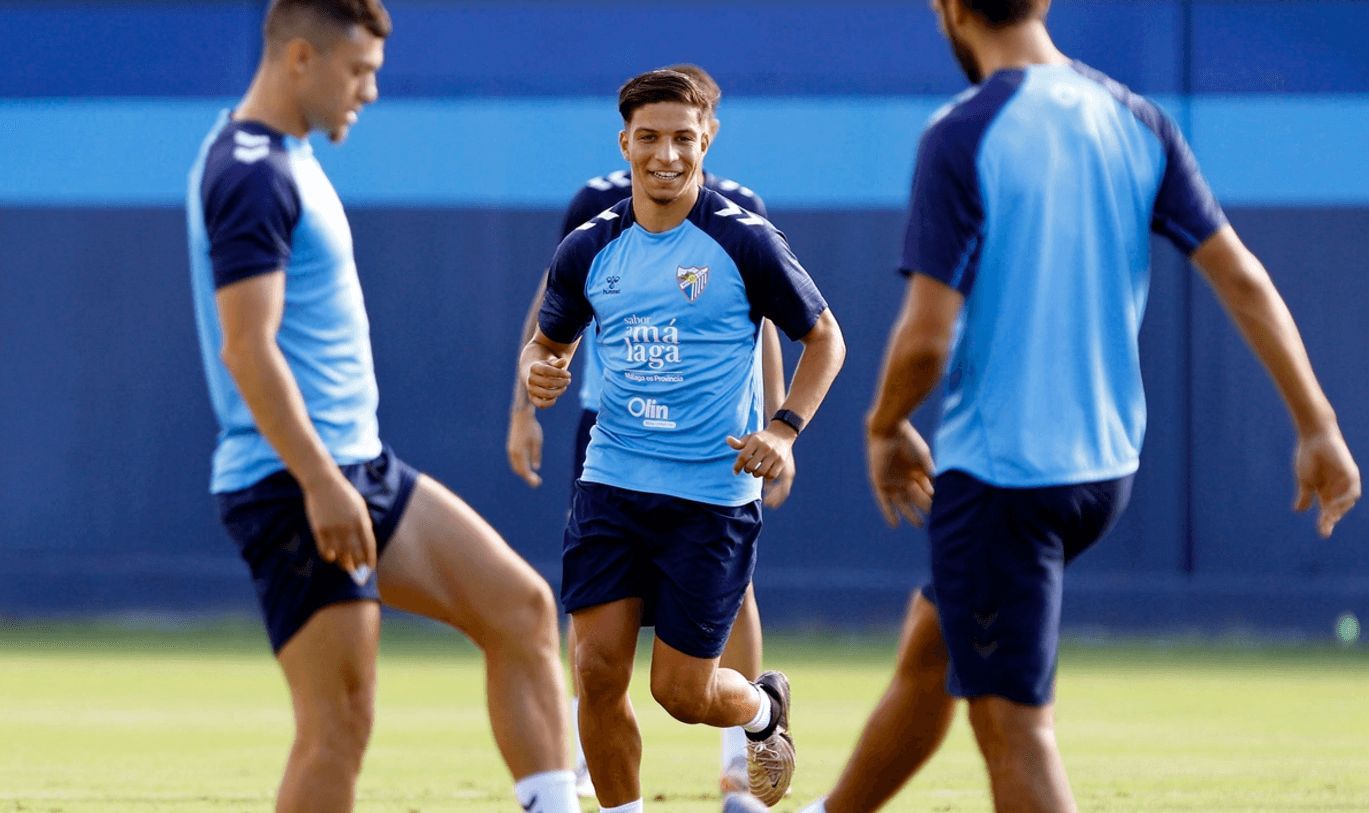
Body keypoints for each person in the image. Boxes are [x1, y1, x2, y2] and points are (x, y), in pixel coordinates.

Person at [794, 1, 1362, 812]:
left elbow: (924, 339)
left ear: (949, 9)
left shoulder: (961, 132)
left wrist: (882, 427)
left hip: (1005, 477)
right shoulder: (1134, 119)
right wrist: (1317, 424)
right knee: (933, 652)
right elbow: (1242, 278)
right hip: (1101, 470)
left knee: (1013, 732)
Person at [185, 2, 579, 811]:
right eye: (359, 72)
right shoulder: (250, 173)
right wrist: (320, 482)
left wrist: (341, 476)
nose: (369, 92)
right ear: (301, 58)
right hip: (294, 481)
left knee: (520, 610)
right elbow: (247, 349)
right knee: (337, 724)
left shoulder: (284, 154)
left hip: (358, 468)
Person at [520, 69, 846, 811]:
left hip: (709, 498)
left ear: (707, 140)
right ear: (624, 143)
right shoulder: (588, 246)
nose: (664, 155)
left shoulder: (744, 239)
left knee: (680, 691)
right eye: (649, 138)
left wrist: (783, 429)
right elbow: (547, 343)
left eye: (681, 138)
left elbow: (824, 338)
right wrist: (538, 372)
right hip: (611, 485)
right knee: (596, 671)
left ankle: (761, 709)